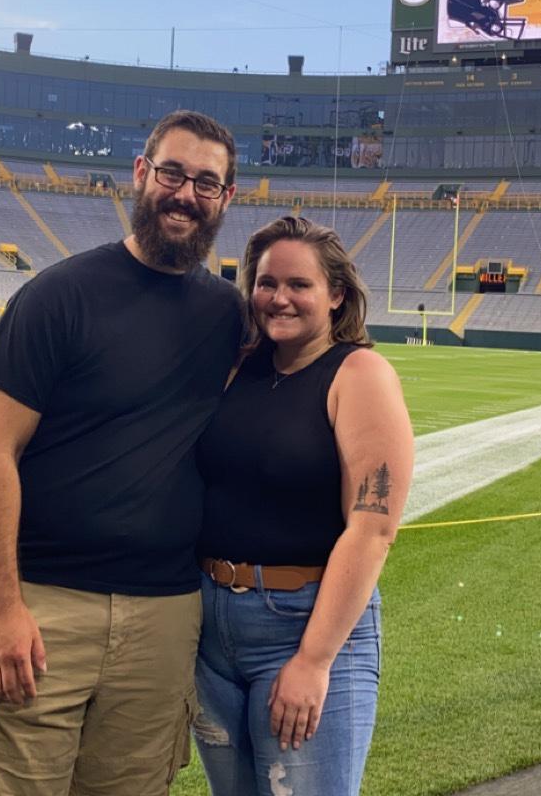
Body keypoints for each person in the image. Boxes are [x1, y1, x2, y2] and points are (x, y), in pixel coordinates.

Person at [0, 110, 243, 796]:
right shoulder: (59, 295)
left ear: (227, 198)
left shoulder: (229, 315)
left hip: (163, 613)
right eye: (172, 172)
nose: (185, 194)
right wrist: (4, 605)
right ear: (141, 174)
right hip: (45, 603)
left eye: (206, 182)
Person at [193, 215, 414, 796]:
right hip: (211, 628)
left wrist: (314, 661)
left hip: (303, 623)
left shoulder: (358, 373)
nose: (279, 298)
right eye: (266, 283)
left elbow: (373, 529)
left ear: (336, 295)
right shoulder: (242, 367)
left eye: (299, 285)